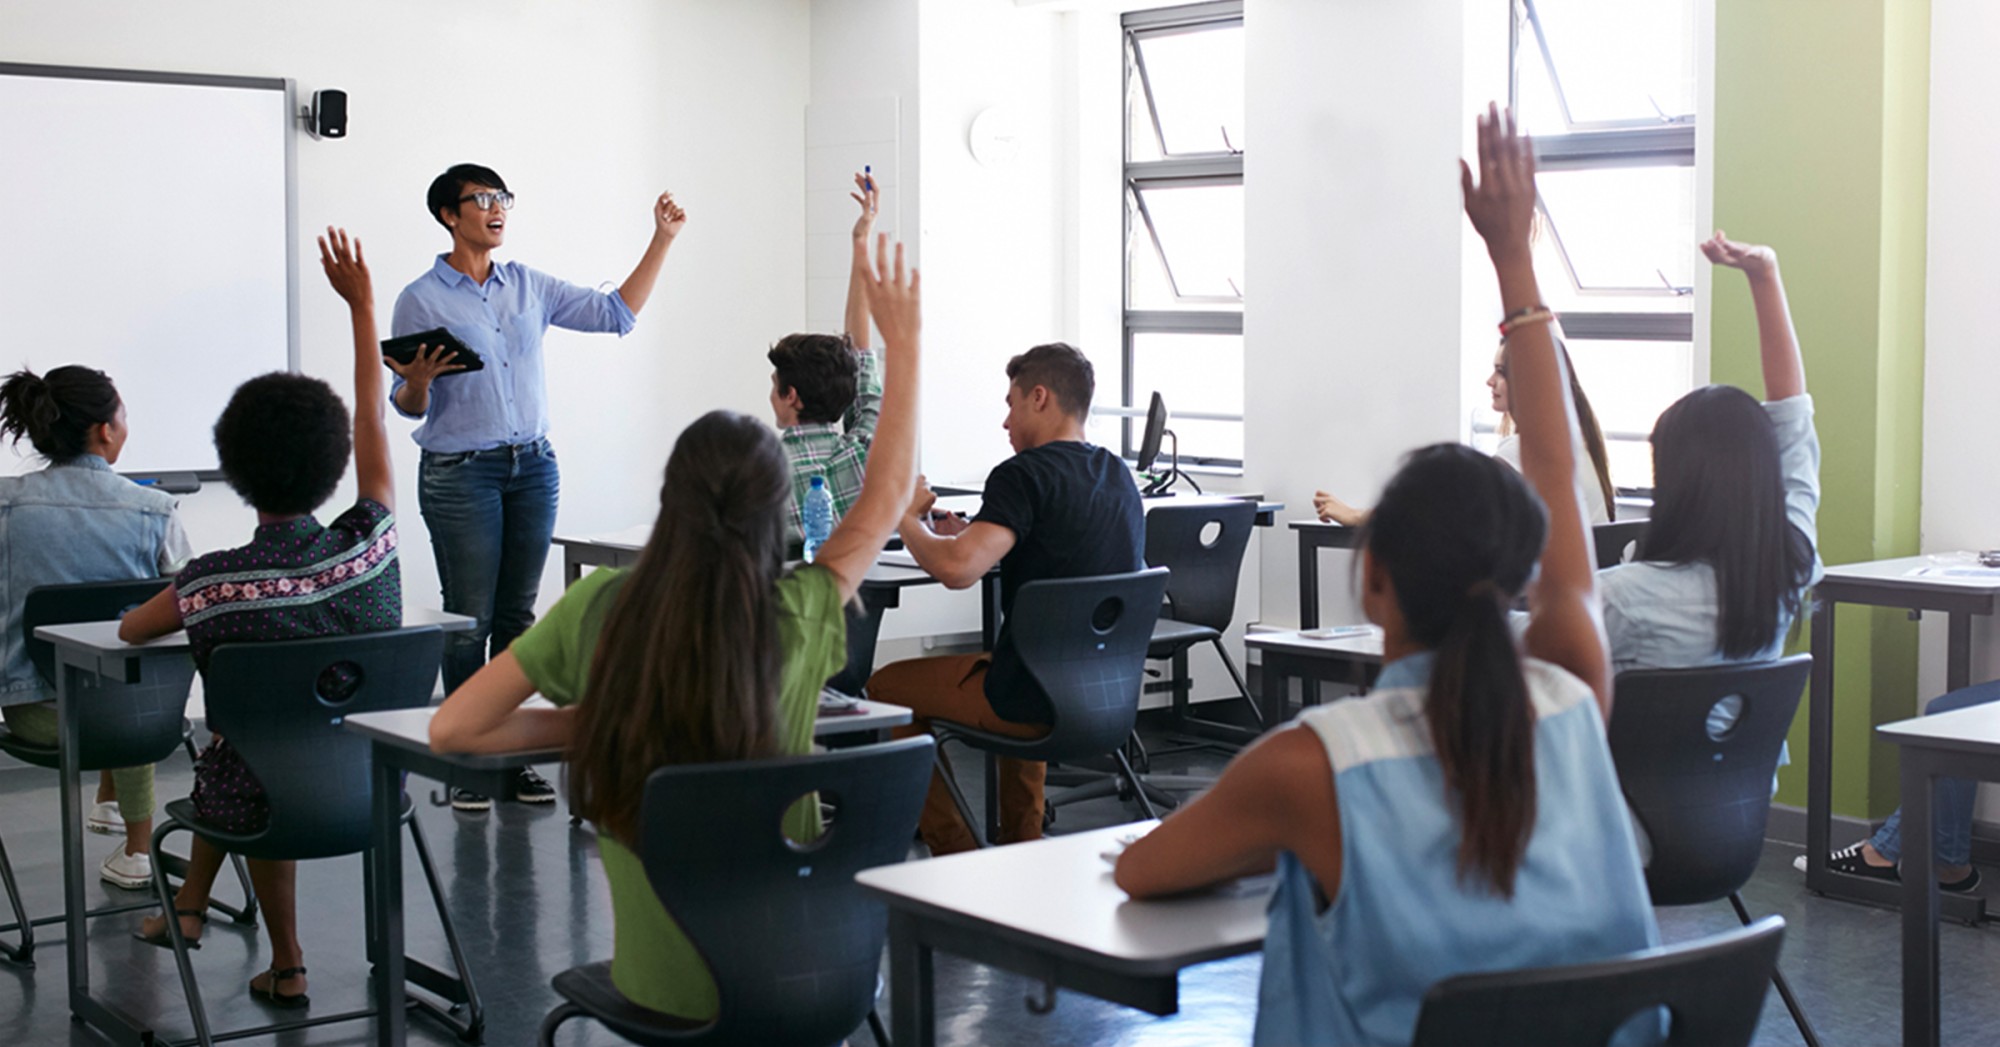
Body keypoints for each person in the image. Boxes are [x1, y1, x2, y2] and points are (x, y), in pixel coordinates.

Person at [1114, 107, 1657, 1046]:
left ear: (1376, 583)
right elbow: (1559, 471)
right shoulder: (1573, 695)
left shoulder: (1309, 760)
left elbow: (1141, 873)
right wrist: (1513, 260)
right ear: (1517, 570)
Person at [425, 231, 920, 1022]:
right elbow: (887, 491)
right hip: (816, 981)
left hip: (672, 993)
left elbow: (454, 729)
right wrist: (909, 344)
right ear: (772, 509)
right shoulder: (801, 610)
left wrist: (598, 718)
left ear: (671, 495)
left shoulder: (600, 606)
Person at [124, 228, 398, 1010]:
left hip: (262, 798)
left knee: (249, 747)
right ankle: (252, 943)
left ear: (235, 475)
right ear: (334, 463)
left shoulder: (211, 583)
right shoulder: (374, 546)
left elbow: (132, 632)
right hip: (374, 789)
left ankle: (258, 943)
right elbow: (374, 422)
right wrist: (361, 305)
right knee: (266, 735)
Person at [390, 163, 687, 811]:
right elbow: (409, 404)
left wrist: (660, 238)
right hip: (459, 473)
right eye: (483, 199)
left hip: (534, 467)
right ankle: (466, 758)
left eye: (503, 199)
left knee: (519, 618)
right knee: (470, 617)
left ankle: (511, 753)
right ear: (450, 214)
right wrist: (418, 379)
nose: (497, 209)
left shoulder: (527, 285)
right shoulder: (421, 298)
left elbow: (615, 315)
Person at [871, 341, 1145, 856]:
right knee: (1029, 658)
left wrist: (903, 516)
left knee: (885, 687)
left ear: (1039, 397)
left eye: (1010, 403)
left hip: (1030, 700)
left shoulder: (1021, 475)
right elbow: (1051, 549)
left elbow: (956, 570)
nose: (1005, 421)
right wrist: (972, 531)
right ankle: (1023, 842)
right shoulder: (1119, 477)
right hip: (1107, 697)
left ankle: (956, 851)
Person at [1599, 232, 1821, 809]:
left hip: (1624, 835)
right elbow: (1793, 422)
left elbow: (1522, 643)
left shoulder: (1624, 595)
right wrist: (1764, 276)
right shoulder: (1788, 566)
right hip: (1736, 822)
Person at [0, 366, 192, 890]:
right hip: (130, 721)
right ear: (105, 430)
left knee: (106, 676)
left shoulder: (6, 503)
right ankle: (137, 851)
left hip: (33, 715)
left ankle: (110, 801)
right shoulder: (154, 510)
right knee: (128, 678)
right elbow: (189, 604)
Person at [1312, 338, 1617, 527]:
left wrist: (1356, 516)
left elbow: (1441, 509)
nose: (1489, 381)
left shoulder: (1526, 449)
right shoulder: (1577, 439)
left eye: (1501, 372)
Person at [772, 171, 882, 547]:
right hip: (858, 604)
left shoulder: (762, 471)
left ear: (791, 395)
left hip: (786, 605)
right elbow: (860, 354)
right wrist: (861, 242)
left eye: (775, 386)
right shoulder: (863, 451)